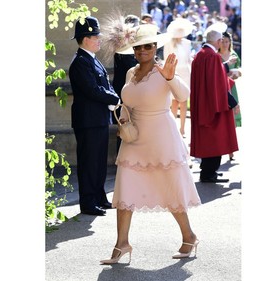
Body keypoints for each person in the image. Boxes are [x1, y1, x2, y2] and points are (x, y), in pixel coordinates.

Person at [100, 23, 201, 264]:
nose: (143, 50)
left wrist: (170, 77)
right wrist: (124, 118)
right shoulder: (130, 73)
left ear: (155, 47)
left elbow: (183, 96)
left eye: (148, 45)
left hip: (161, 137)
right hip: (134, 138)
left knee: (170, 188)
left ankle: (189, 236)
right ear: (134, 50)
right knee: (125, 188)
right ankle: (121, 244)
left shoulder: (163, 70)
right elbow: (130, 102)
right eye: (139, 46)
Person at [69, 16, 120, 216]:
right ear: (86, 38)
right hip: (88, 120)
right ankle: (88, 202)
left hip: (97, 119)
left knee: (98, 161)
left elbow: (104, 86)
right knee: (89, 162)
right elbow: (92, 89)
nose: (99, 39)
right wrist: (114, 98)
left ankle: (98, 197)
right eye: (96, 36)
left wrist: (113, 95)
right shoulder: (81, 62)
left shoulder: (92, 59)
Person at [190, 27, 239, 183]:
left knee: (208, 139)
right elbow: (216, 85)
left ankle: (208, 171)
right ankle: (209, 173)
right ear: (218, 41)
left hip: (203, 103)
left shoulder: (200, 55)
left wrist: (225, 68)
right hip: (213, 105)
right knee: (215, 139)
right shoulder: (213, 56)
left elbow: (211, 78)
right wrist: (232, 102)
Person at [110, 15, 140, 152]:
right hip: (125, 93)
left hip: (126, 91)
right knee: (124, 128)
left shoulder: (126, 46)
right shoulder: (124, 48)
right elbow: (132, 69)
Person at [164, 18, 193, 138]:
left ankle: (182, 128)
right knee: (174, 101)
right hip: (174, 73)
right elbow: (167, 58)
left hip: (185, 73)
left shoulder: (187, 43)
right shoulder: (169, 43)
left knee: (184, 100)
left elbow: (188, 59)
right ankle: (174, 127)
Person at [218, 31, 242, 160]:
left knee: (232, 118)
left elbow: (239, 73)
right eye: (223, 41)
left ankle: (231, 150)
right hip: (221, 89)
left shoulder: (234, 55)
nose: (225, 44)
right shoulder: (216, 56)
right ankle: (223, 147)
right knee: (222, 118)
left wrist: (236, 74)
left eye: (227, 41)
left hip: (231, 87)